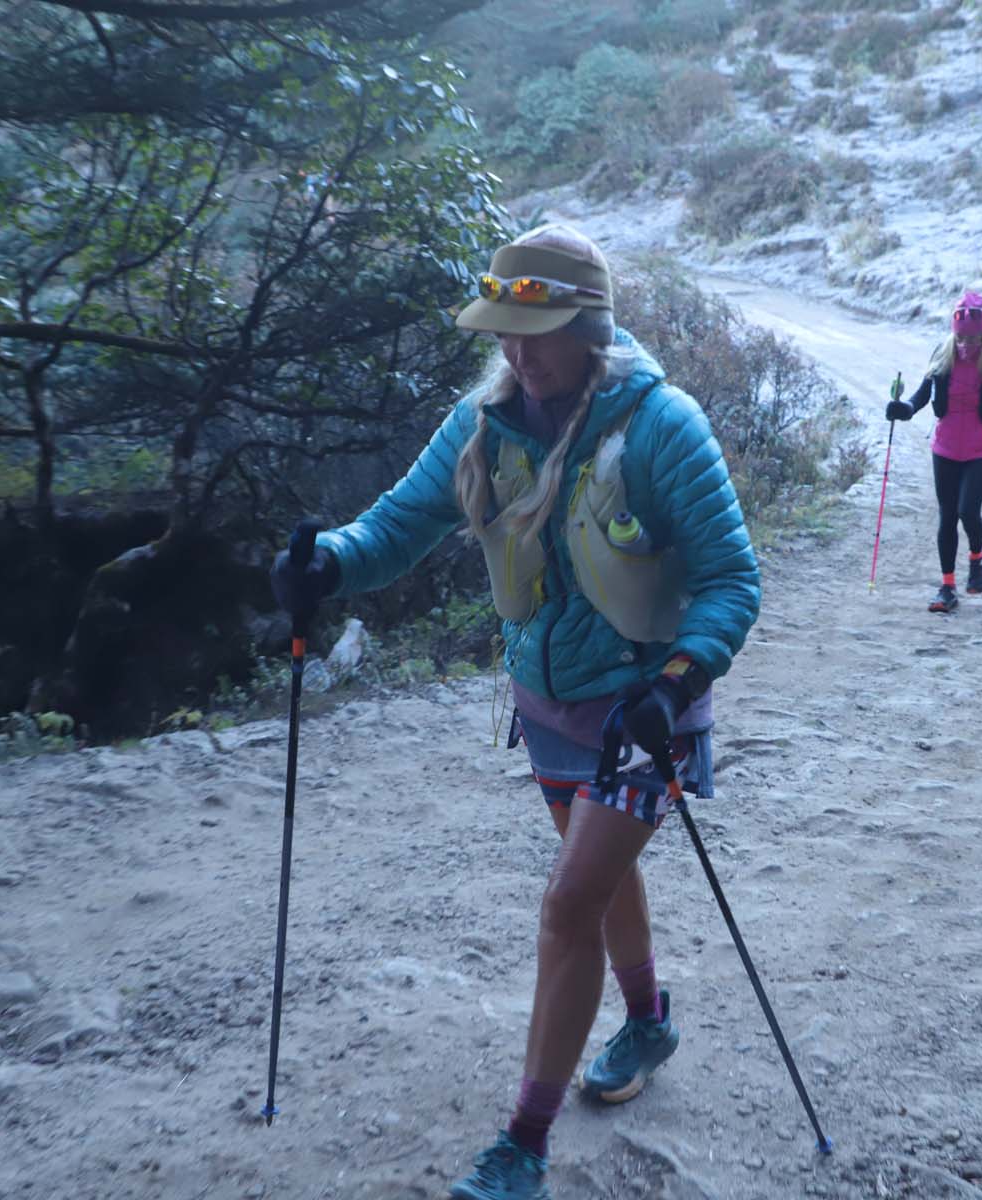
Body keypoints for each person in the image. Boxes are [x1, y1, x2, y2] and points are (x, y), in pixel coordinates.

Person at [270, 224, 761, 1200]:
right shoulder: (485, 421)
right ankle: (648, 1020)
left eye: (536, 335)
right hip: (547, 706)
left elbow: (730, 580)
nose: (516, 353)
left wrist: (675, 683)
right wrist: (327, 562)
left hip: (644, 710)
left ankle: (524, 1147)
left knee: (570, 901)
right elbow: (400, 523)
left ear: (590, 328)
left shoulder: (662, 427)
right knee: (598, 872)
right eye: (504, 332)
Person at [885, 291, 982, 613]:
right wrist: (903, 408)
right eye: (961, 338)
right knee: (947, 515)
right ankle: (947, 587)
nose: (966, 345)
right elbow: (920, 397)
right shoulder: (943, 355)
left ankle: (977, 558)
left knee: (968, 510)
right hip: (945, 446)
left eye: (973, 339)